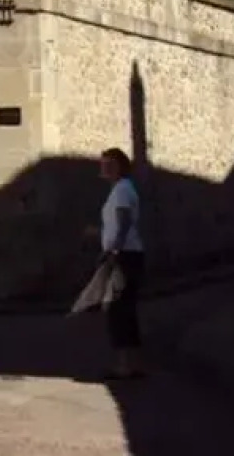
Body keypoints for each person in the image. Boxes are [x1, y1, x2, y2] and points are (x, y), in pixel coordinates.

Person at [97, 147, 146, 379]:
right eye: (103, 163)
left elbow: (124, 221)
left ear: (119, 166)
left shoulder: (122, 190)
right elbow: (118, 224)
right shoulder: (121, 189)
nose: (104, 168)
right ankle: (132, 364)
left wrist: (114, 250)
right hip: (127, 253)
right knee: (124, 310)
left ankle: (125, 365)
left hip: (124, 255)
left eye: (109, 164)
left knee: (117, 310)